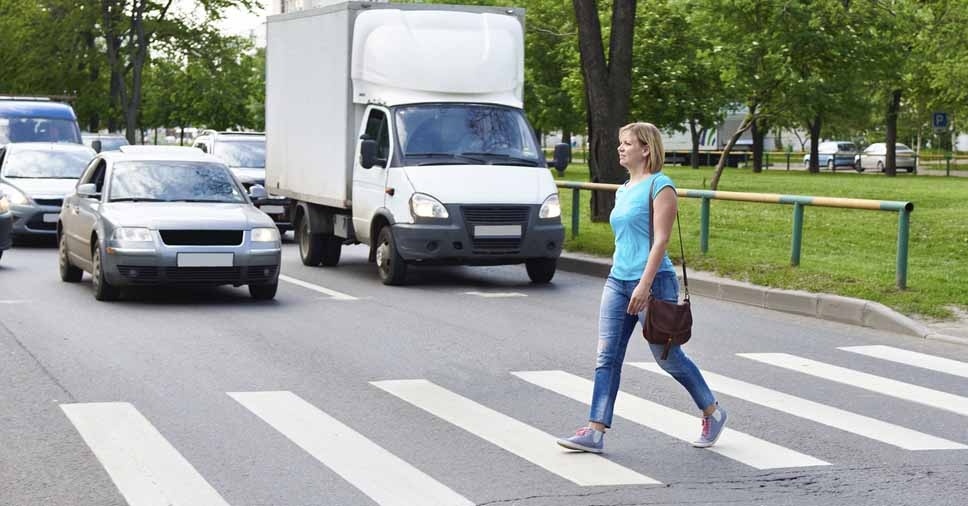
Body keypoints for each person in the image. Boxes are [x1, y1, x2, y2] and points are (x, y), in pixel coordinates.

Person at [557, 122, 726, 454]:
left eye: (627, 143)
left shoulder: (661, 186)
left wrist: (644, 284)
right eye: (620, 143)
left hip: (653, 281)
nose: (620, 148)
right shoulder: (623, 189)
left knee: (666, 356)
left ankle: (713, 411)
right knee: (607, 357)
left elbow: (661, 240)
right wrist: (626, 279)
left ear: (645, 149)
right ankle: (595, 431)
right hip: (618, 280)